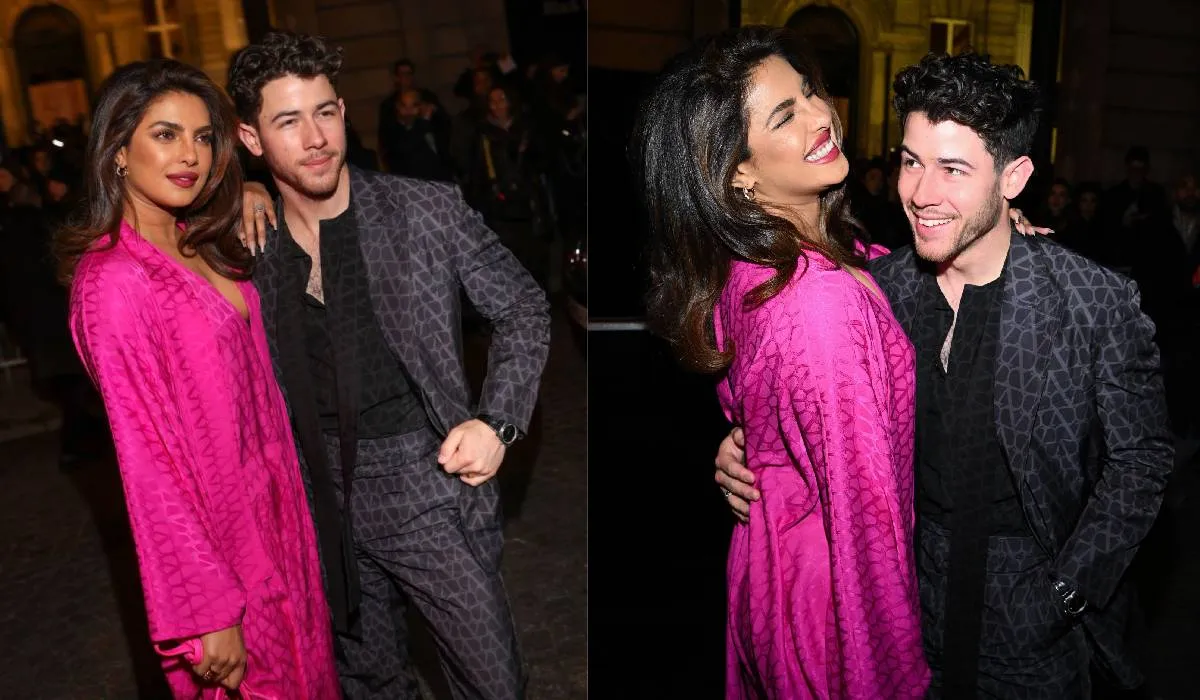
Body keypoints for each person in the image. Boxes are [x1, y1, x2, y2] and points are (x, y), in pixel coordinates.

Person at [714, 52, 1173, 698]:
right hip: (907, 613)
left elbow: (1143, 460)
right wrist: (750, 444)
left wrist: (1069, 589)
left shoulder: (1092, 300)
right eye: (911, 161)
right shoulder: (879, 290)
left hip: (1033, 626)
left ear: (1014, 177)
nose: (921, 193)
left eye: (953, 169)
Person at [227, 31, 550, 700]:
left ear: (343, 111)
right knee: (368, 683)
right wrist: (239, 192)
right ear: (251, 138)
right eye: (288, 121)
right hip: (317, 498)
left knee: (493, 682)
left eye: (325, 112)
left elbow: (523, 307)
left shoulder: (423, 210)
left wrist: (497, 421)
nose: (315, 137)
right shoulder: (249, 242)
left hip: (424, 480)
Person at [631, 27, 930, 698]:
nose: (822, 115)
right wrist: (893, 676)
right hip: (838, 615)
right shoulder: (816, 303)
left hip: (780, 573)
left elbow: (887, 280)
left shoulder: (767, 263)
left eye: (811, 91)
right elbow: (866, 525)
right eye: (785, 116)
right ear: (737, 170)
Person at [57, 59, 339, 698]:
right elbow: (147, 464)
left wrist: (251, 190)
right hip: (224, 556)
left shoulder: (197, 238)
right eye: (165, 135)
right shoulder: (113, 281)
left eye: (203, 136)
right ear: (118, 150)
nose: (189, 154)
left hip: (281, 529)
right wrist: (206, 610)